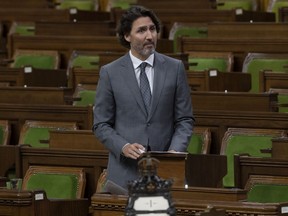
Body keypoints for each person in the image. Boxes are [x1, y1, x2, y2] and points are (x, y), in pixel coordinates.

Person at [92, 5, 194, 192]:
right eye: (141, 30)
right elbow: (101, 124)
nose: (149, 36)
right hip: (124, 174)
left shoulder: (175, 68)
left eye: (152, 29)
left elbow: (185, 119)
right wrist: (123, 146)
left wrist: (174, 152)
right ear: (127, 36)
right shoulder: (110, 73)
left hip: (166, 171)